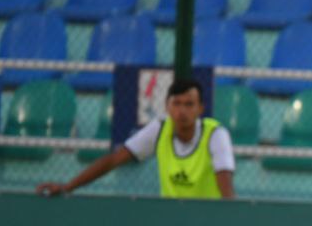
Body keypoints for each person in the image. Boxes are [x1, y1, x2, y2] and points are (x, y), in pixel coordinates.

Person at [35, 79, 236, 200]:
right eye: (177, 103)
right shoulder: (159, 129)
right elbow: (114, 160)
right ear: (167, 107)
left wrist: (229, 221)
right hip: (172, 218)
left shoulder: (216, 135)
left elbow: (226, 189)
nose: (182, 110)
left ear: (201, 108)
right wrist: (68, 187)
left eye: (189, 104)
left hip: (207, 218)